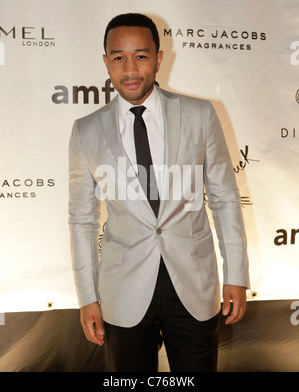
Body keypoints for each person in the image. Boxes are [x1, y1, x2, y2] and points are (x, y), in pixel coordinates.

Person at [68, 13, 250, 372]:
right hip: (123, 288)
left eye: (141, 55)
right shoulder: (85, 131)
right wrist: (87, 296)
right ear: (106, 61)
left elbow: (225, 198)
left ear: (159, 58)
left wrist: (236, 275)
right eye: (118, 57)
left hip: (194, 283)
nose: (130, 68)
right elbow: (81, 220)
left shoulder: (199, 114)